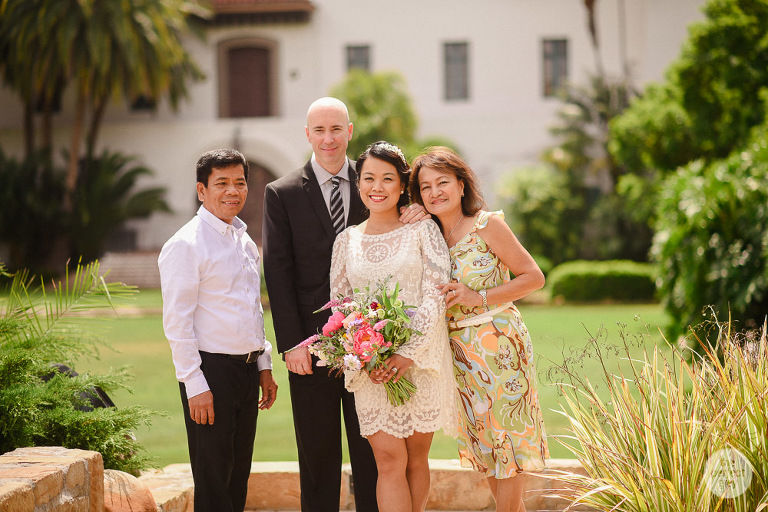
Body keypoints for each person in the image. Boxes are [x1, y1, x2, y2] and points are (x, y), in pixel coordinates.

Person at [263, 98, 427, 512]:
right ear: (307, 135)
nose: (328, 138)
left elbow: (408, 220)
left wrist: (419, 209)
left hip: (376, 346)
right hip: (313, 346)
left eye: (336, 129)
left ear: (349, 131)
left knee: (377, 456)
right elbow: (277, 273)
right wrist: (292, 344)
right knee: (317, 456)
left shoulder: (377, 178)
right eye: (319, 130)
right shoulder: (280, 193)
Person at [410, 147, 548, 512]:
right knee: (485, 444)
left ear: (460, 184)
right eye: (426, 187)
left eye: (442, 182)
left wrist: (478, 296)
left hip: (499, 344)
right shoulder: (428, 235)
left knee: (507, 439)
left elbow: (534, 277)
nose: (435, 192)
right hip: (457, 353)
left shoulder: (487, 224)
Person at [330, 141, 456, 512]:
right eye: (369, 178)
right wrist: (363, 352)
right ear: (358, 183)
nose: (378, 187)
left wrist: (405, 354)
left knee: (416, 460)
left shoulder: (423, 230)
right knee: (387, 460)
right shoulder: (346, 241)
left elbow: (436, 293)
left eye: (388, 178)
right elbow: (340, 305)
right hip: (370, 368)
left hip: (420, 362)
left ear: (402, 185)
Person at [158, 149, 278, 512]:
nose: (232, 191)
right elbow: (177, 323)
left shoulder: (242, 240)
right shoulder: (185, 244)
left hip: (245, 370)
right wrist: (195, 385)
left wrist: (263, 363)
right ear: (201, 190)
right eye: (221, 183)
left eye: (239, 182)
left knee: (237, 475)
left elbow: (250, 308)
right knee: (213, 481)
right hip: (210, 373)